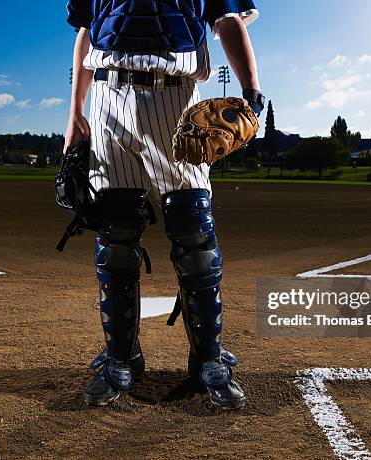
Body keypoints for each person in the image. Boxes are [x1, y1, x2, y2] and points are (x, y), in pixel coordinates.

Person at [63, 0, 265, 410]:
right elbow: (85, 30)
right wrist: (74, 114)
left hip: (177, 97)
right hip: (107, 96)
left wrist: (252, 93)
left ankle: (207, 359)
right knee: (115, 235)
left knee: (194, 236)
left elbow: (228, 20)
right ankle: (123, 360)